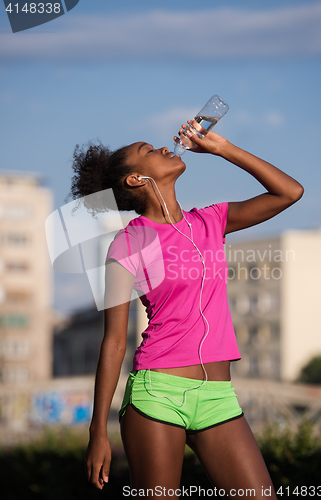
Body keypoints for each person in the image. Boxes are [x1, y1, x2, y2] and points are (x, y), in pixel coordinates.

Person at [71, 124, 304, 499]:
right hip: (157, 394)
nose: (163, 146)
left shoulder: (210, 222)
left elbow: (289, 192)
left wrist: (223, 148)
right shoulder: (128, 243)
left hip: (218, 397)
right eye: (148, 149)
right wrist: (98, 430)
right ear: (136, 178)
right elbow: (113, 343)